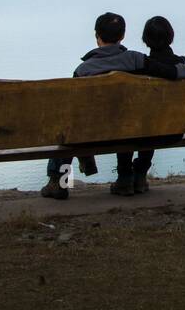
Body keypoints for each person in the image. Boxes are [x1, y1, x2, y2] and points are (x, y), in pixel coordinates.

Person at [41, 12, 146, 201]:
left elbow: (73, 112)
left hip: (92, 136)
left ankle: (60, 182)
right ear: (122, 36)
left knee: (67, 130)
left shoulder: (84, 71)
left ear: (97, 36)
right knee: (126, 120)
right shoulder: (137, 61)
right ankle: (126, 177)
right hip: (130, 131)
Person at [111, 16, 185, 196]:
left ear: (145, 40)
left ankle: (125, 178)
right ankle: (140, 174)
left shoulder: (138, 68)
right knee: (156, 121)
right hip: (173, 132)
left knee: (134, 125)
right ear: (171, 36)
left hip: (140, 133)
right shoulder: (183, 65)